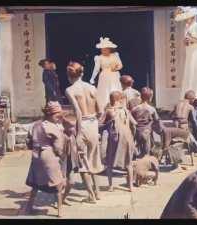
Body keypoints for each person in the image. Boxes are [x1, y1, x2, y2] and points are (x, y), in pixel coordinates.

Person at [65, 61, 104, 203]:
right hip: (93, 124)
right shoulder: (92, 88)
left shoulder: (70, 90)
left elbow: (78, 112)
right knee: (94, 160)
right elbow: (101, 111)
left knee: (83, 163)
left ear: (69, 76)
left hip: (82, 126)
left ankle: (91, 196)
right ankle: (98, 192)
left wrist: (79, 133)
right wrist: (96, 123)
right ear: (82, 73)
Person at [25, 101, 66, 217]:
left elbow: (28, 141)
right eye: (57, 116)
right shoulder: (53, 127)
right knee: (58, 184)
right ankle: (60, 212)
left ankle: (28, 208)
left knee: (35, 185)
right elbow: (59, 148)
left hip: (36, 156)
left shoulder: (35, 124)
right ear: (51, 114)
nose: (58, 119)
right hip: (48, 156)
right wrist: (60, 156)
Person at [101, 91, 137, 192]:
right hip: (127, 136)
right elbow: (134, 123)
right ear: (120, 99)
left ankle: (110, 186)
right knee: (129, 163)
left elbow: (100, 123)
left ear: (111, 99)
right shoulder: (125, 110)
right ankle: (130, 186)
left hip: (114, 136)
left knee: (109, 162)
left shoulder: (109, 110)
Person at [89, 37, 123, 111]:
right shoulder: (99, 58)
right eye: (102, 49)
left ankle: (116, 106)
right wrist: (92, 78)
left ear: (109, 49)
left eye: (105, 49)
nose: (103, 51)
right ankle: (104, 108)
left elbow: (120, 65)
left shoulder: (115, 55)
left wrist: (116, 68)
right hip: (104, 76)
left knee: (114, 90)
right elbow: (96, 69)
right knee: (105, 93)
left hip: (114, 75)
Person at [131, 87, 163, 158]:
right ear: (150, 98)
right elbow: (157, 120)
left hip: (137, 131)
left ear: (141, 96)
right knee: (147, 151)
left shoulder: (135, 109)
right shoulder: (151, 109)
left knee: (136, 147)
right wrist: (160, 130)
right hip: (146, 131)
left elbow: (131, 120)